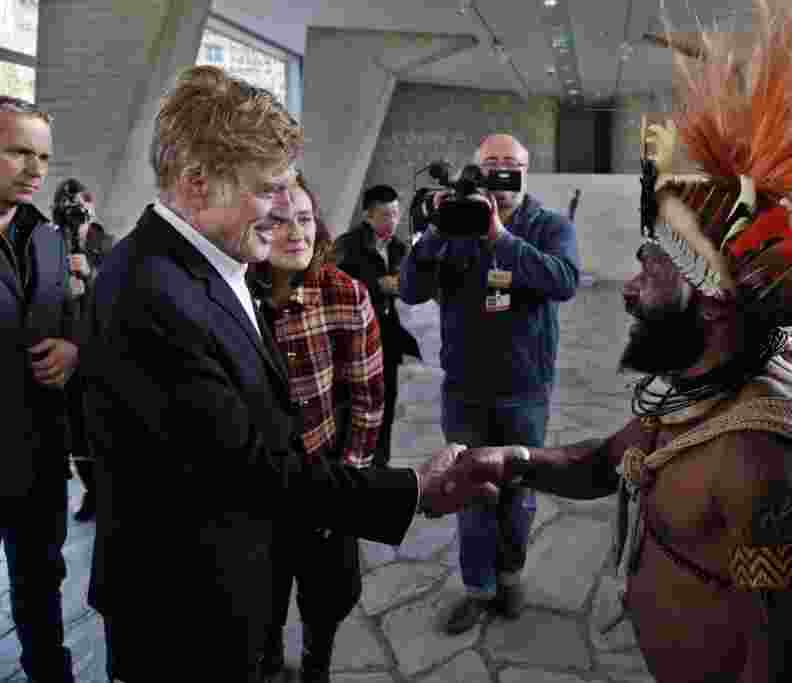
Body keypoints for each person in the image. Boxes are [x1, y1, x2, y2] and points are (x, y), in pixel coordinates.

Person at [425, 3, 792, 679]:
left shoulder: (761, 462)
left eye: (651, 268)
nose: (630, 289)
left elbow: (780, 662)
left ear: (714, 297)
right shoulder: (705, 384)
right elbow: (608, 462)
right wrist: (512, 458)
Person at [79, 66, 497, 683]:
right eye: (268, 189)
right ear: (198, 184)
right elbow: (245, 470)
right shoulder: (153, 295)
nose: (284, 213)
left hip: (229, 579)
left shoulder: (202, 267)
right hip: (187, 613)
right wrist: (412, 490)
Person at [399, 133, 580, 634]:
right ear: (476, 169)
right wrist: (435, 233)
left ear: (526, 169)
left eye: (510, 164)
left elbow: (563, 281)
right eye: (491, 163)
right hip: (465, 390)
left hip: (524, 388)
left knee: (518, 488)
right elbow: (412, 289)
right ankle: (478, 588)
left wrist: (499, 235)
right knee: (471, 490)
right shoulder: (452, 224)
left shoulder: (549, 226)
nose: (500, 172)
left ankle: (511, 575)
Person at [248, 171, 385, 682]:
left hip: (324, 478)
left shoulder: (344, 292)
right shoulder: (234, 296)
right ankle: (266, 665)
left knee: (327, 596)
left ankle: (316, 666)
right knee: (261, 596)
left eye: (304, 219)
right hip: (256, 484)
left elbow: (367, 400)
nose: (296, 233)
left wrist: (345, 487)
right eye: (277, 221)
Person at [0, 96, 82, 682]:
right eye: (18, 152)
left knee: (39, 577)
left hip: (37, 449)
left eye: (43, 157)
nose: (35, 169)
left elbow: (68, 317)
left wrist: (73, 348)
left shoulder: (48, 238)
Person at [334, 183, 421, 467]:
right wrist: (377, 285)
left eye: (396, 214)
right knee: (354, 407)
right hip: (353, 343)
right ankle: (350, 467)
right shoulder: (347, 246)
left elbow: (410, 290)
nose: (393, 221)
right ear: (368, 216)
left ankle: (380, 467)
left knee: (385, 406)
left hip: (388, 341)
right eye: (385, 215)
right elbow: (333, 289)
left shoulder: (399, 248)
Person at [52, 177, 113, 522]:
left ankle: (112, 491)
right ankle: (92, 489)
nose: (73, 220)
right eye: (67, 213)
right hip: (68, 353)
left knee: (103, 424)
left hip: (102, 353)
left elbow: (122, 294)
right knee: (76, 432)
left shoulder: (109, 245)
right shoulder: (49, 244)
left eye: (78, 212)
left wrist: (91, 275)